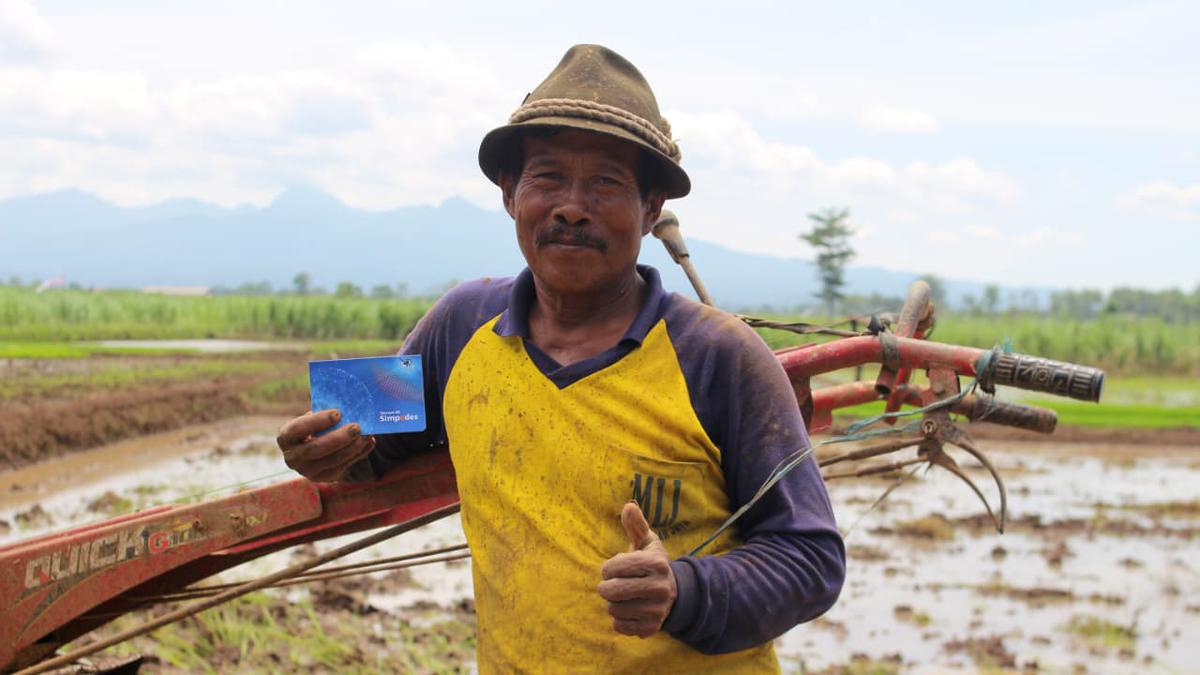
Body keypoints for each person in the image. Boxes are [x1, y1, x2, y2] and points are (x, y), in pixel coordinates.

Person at [277, 44, 845, 673]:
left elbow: (811, 559)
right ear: (509, 193)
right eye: (548, 177)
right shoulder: (460, 324)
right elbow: (360, 442)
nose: (572, 206)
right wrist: (320, 451)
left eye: (606, 182)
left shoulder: (720, 356)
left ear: (651, 208)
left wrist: (684, 591)